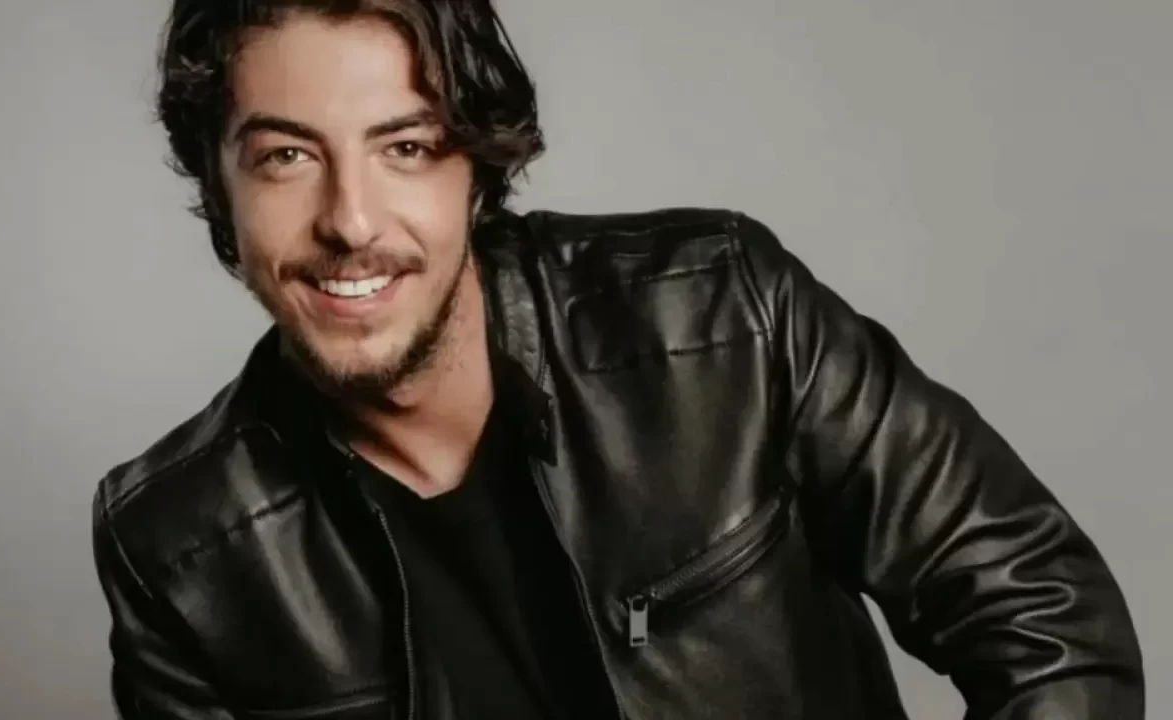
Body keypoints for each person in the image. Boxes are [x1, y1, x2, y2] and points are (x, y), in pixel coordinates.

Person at [90, 1, 1144, 718]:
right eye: (285, 157)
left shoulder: (719, 316)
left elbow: (1038, 606)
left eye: (406, 147)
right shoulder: (178, 547)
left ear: (475, 171)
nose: (351, 220)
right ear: (220, 190)